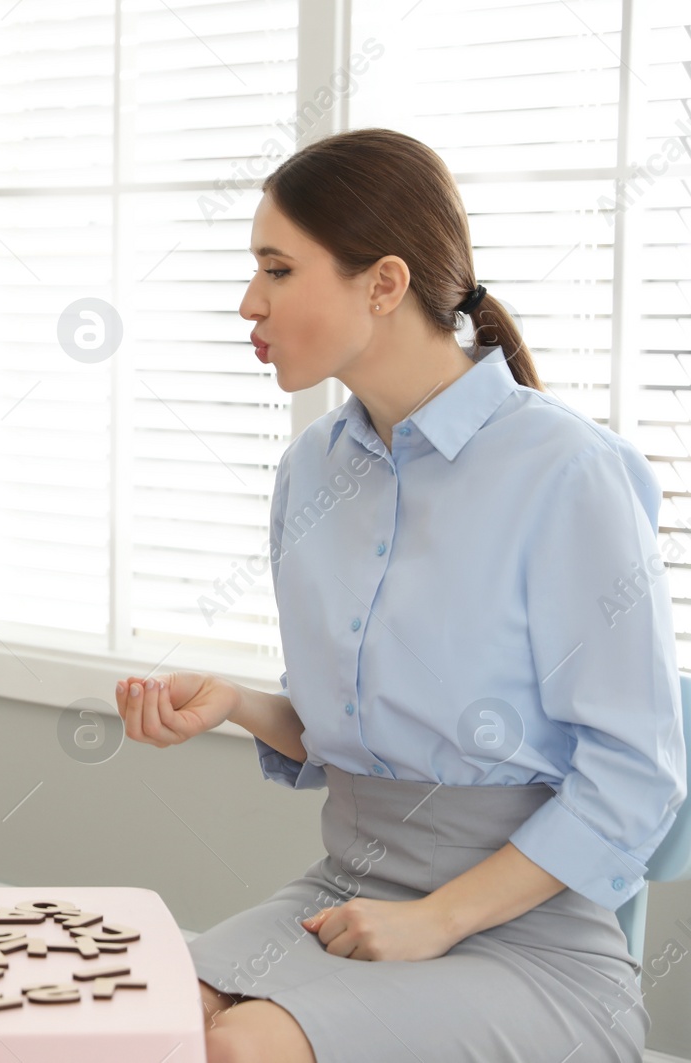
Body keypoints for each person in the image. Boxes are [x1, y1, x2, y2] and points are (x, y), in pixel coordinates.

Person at [116, 128, 686, 1063]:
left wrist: (436, 920)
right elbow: (382, 734)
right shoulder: (311, 470)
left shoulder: (567, 472)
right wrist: (239, 705)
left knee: (241, 1045)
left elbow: (636, 774)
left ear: (383, 284)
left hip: (531, 941)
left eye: (278, 269)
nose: (249, 302)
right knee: (133, 1015)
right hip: (350, 888)